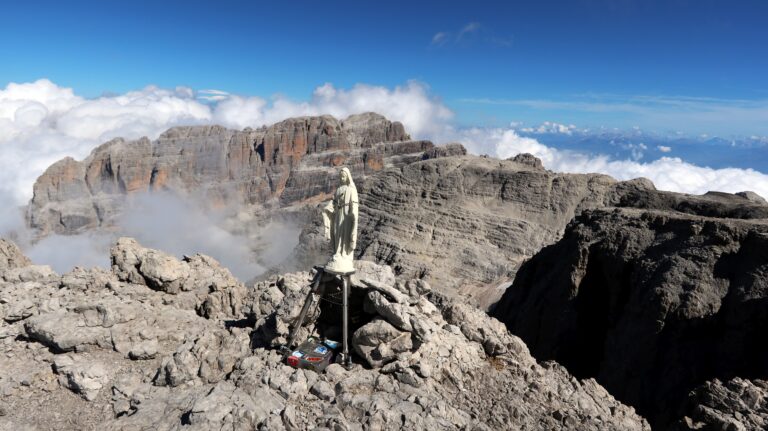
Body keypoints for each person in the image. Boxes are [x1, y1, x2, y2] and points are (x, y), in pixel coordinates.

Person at [322, 167, 358, 273]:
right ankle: (337, 252)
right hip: (338, 214)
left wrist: (353, 213)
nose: (342, 178)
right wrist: (328, 208)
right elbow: (334, 202)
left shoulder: (351, 189)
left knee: (345, 233)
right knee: (337, 233)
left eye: (344, 176)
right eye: (341, 176)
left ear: (347, 177)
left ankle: (344, 254)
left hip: (346, 215)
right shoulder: (338, 189)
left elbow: (354, 202)